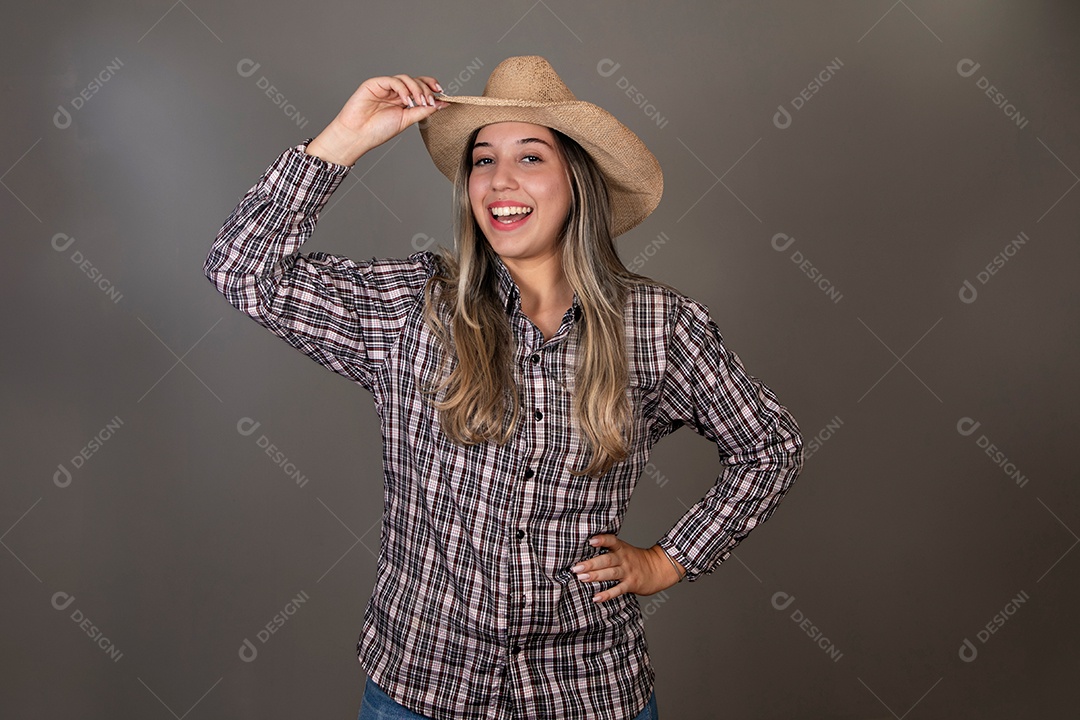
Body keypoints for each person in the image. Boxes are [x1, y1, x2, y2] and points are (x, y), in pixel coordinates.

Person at [205, 55, 803, 720]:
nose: (499, 181)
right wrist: (344, 140)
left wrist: (666, 561)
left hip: (587, 694)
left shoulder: (659, 327)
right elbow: (243, 270)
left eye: (530, 157)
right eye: (482, 160)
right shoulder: (414, 307)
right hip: (421, 692)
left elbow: (769, 447)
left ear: (578, 180)